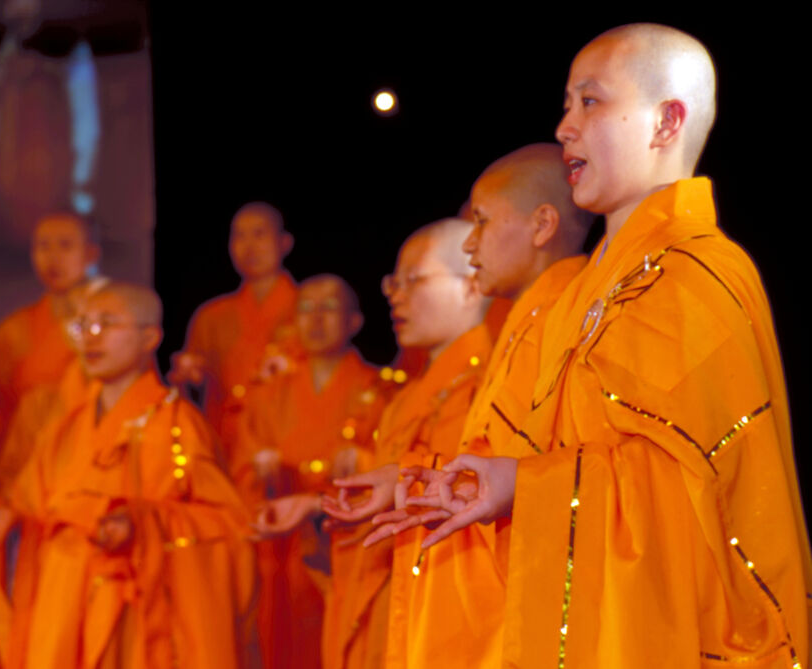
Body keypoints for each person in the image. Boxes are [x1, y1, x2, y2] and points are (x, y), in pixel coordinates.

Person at [419, 24, 811, 667]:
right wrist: (451, 484)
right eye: (567, 105)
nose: (565, 126)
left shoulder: (699, 274)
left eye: (590, 102)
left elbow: (698, 499)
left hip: (659, 634)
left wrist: (528, 486)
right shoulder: (578, 295)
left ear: (666, 122)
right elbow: (532, 448)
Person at [366, 143, 593, 668]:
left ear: (542, 225)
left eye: (482, 223)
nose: (471, 244)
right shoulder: (527, 324)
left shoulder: (567, 322)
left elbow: (561, 478)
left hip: (529, 617)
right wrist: (407, 482)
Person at [0, 282, 255, 669]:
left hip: (134, 610)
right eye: (83, 326)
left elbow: (228, 527)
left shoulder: (176, 425)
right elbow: (29, 503)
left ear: (149, 337)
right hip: (60, 607)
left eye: (106, 324)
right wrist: (10, 520)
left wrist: (143, 522)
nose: (90, 338)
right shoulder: (64, 427)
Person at [317, 219, 506, 669]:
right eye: (393, 283)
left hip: (448, 617)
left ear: (471, 284)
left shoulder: (494, 385)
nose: (396, 295)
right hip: (390, 598)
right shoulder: (404, 398)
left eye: (414, 280)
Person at [238, 274, 393, 669]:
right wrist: (260, 470)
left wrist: (362, 459)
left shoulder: (379, 390)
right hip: (280, 549)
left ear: (354, 322)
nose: (315, 319)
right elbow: (239, 470)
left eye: (328, 308)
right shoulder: (268, 392)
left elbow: (397, 467)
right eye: (305, 309)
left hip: (339, 544)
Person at [170, 202, 298, 459]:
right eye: (239, 236)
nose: (248, 246)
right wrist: (191, 378)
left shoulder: (306, 311)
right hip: (225, 445)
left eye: (259, 234)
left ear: (284, 242)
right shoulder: (211, 316)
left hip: (284, 446)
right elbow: (193, 394)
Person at [0, 211, 100, 452]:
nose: (53, 257)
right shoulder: (14, 327)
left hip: (84, 451)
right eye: (43, 246)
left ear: (90, 254)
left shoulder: (110, 322)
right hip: (26, 455)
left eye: (65, 246)